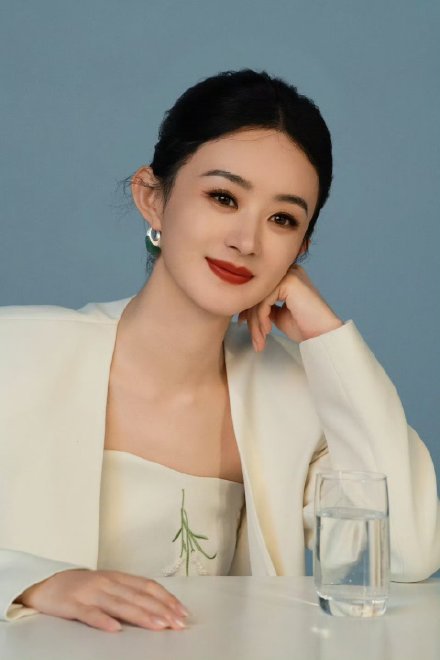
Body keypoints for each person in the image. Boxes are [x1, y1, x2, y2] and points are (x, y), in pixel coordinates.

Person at [0, 69, 439, 634]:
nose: (247, 241)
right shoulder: (16, 353)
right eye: (223, 197)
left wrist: (327, 335)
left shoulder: (298, 398)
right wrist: (34, 581)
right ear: (153, 197)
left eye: (282, 219)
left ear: (300, 248)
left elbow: (405, 554)